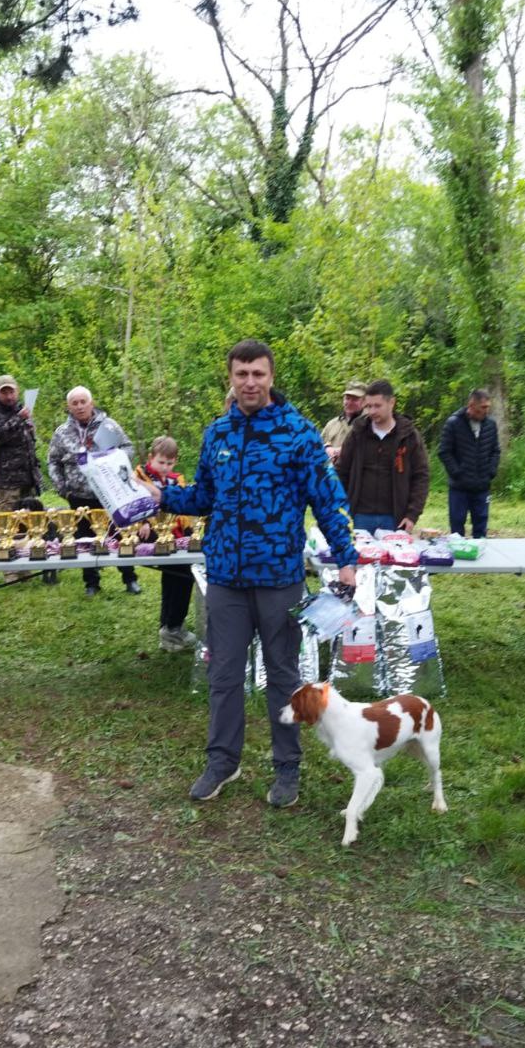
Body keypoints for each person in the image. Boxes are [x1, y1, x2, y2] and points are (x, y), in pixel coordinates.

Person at [156, 339, 358, 808]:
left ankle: (287, 767)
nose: (250, 382)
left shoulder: (298, 433)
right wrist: (161, 496)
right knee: (223, 674)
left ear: (271, 377)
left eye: (258, 374)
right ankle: (222, 761)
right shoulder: (218, 434)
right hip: (226, 578)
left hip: (279, 579)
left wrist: (347, 559)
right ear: (230, 377)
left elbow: (328, 500)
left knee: (284, 677)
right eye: (241, 374)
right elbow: (203, 497)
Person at [47, 385, 141, 597]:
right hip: (78, 495)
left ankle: (130, 579)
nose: (80, 406)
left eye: (83, 402)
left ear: (91, 403)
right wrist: (62, 488)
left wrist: (112, 458)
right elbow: (53, 461)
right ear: (69, 407)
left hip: (109, 492)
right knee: (84, 539)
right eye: (75, 403)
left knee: (119, 534)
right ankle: (91, 583)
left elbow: (128, 448)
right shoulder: (62, 432)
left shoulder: (109, 426)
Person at [336, 378, 430, 533]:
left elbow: (421, 476)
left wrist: (412, 514)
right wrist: (340, 508)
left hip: (395, 517)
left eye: (377, 406)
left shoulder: (409, 436)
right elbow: (341, 472)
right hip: (359, 515)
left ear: (391, 403)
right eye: (369, 406)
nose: (372, 411)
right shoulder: (357, 433)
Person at [134, 436, 198, 652]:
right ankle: (173, 627)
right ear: (150, 458)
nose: (165, 467)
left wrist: (190, 531)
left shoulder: (176, 479)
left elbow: (183, 508)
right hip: (148, 534)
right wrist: (142, 521)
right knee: (182, 574)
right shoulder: (138, 476)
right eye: (161, 462)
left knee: (176, 575)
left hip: (176, 534)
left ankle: (169, 628)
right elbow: (131, 502)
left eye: (169, 463)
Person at [437, 390, 500, 539]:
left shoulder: (491, 425)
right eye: (483, 407)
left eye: (488, 407)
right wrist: (457, 473)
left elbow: (495, 451)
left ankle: (480, 553)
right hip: (459, 488)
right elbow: (444, 452)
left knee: (481, 529)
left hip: (482, 487)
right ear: (471, 405)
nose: (486, 410)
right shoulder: (453, 423)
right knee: (457, 531)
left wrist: (491, 472)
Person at [0, 375, 42, 511]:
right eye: (4, 393)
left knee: (32, 523)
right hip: (7, 484)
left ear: (17, 391)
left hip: (28, 481)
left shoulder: (21, 408)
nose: (9, 396)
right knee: (10, 523)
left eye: (11, 392)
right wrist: (18, 419)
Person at [321, 380, 367, 463]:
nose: (349, 402)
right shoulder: (332, 424)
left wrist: (343, 451)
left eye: (355, 399)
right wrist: (327, 449)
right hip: (332, 470)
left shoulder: (371, 423)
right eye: (347, 398)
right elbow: (317, 448)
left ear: (365, 401)